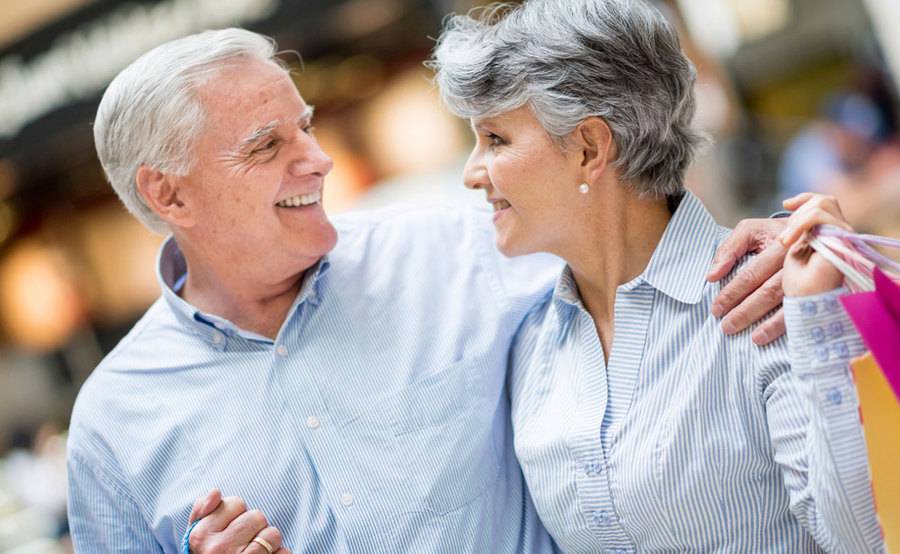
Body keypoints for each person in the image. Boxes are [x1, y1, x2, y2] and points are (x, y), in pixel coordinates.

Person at [67, 28, 788, 553]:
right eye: (266, 146)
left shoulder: (461, 250)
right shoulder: (113, 428)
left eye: (306, 129)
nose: (316, 161)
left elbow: (646, 244)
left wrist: (785, 246)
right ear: (169, 194)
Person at [429, 0, 883, 552]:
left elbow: (863, 538)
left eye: (495, 139)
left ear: (590, 148)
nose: (471, 173)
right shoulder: (528, 346)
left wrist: (818, 322)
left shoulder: (772, 300)